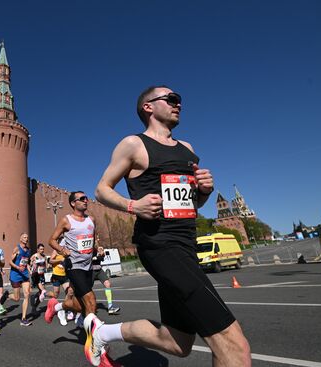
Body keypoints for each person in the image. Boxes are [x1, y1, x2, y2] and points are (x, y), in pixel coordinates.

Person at [91, 85, 251, 367]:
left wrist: (204, 191)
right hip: (159, 244)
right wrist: (133, 206)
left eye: (180, 100)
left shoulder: (187, 149)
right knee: (233, 344)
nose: (178, 104)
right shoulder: (133, 144)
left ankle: (103, 332)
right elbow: (102, 189)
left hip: (186, 243)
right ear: (148, 107)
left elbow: (194, 204)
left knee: (177, 342)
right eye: (172, 99)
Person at [44, 191, 98, 330]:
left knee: (80, 305)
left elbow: (92, 242)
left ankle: (56, 306)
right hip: (74, 266)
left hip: (88, 267)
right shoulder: (66, 220)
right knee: (91, 301)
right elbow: (51, 240)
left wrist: (98, 249)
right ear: (73, 203)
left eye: (86, 198)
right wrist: (62, 250)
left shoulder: (91, 219)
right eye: (82, 199)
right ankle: (94, 342)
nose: (86, 200)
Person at [0, 233, 33, 326]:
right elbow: (10, 262)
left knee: (27, 294)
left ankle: (23, 319)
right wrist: (18, 268)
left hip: (25, 274)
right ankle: (7, 295)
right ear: (20, 239)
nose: (26, 239)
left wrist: (29, 270)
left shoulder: (28, 250)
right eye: (24, 237)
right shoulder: (17, 248)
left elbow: (26, 262)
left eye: (27, 237)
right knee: (17, 298)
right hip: (15, 274)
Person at [91, 246, 120, 315]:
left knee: (108, 284)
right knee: (87, 289)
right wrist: (97, 257)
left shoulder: (99, 249)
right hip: (90, 270)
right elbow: (90, 259)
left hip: (99, 270)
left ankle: (110, 307)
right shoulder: (88, 248)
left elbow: (102, 259)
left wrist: (101, 254)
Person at [30, 243, 48, 315]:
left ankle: (34, 305)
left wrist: (46, 266)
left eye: (43, 249)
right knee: (43, 291)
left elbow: (46, 265)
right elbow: (29, 264)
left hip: (42, 275)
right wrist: (32, 265)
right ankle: (34, 305)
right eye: (41, 249)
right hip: (36, 275)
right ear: (37, 249)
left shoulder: (44, 256)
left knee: (42, 294)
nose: (42, 250)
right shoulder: (34, 256)